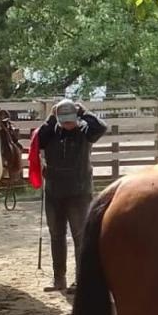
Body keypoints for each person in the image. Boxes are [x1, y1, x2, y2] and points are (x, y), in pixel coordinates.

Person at [37, 98, 106, 292]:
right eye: (64, 120)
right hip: (53, 192)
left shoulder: (86, 131)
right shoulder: (51, 132)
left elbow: (101, 127)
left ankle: (81, 280)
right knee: (56, 235)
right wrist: (51, 118)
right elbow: (38, 139)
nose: (68, 124)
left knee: (80, 237)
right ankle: (59, 279)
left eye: (71, 120)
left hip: (79, 192)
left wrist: (83, 112)